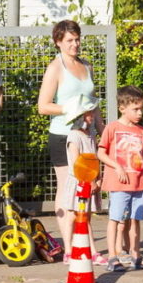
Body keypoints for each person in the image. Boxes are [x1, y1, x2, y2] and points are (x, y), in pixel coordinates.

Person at [38, 19, 103, 259]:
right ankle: (69, 248)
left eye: (77, 39)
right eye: (69, 40)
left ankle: (87, 246)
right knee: (68, 189)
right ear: (58, 42)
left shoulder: (86, 65)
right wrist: (70, 108)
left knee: (87, 189)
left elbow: (93, 103)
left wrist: (102, 129)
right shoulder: (55, 68)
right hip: (63, 136)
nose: (74, 44)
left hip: (87, 137)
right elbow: (43, 106)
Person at [97, 85, 143, 272]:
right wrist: (117, 166)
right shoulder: (112, 128)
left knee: (136, 220)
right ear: (122, 108)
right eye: (135, 109)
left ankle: (136, 255)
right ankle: (112, 257)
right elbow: (101, 153)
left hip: (139, 184)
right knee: (115, 219)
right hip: (119, 184)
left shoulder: (142, 131)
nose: (140, 113)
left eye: (141, 108)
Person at [61, 95, 106, 265]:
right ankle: (69, 251)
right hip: (79, 182)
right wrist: (89, 180)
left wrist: (98, 178)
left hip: (91, 181)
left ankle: (89, 251)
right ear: (79, 116)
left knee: (86, 217)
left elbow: (95, 159)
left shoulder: (91, 135)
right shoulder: (74, 136)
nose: (92, 116)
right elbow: (77, 163)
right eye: (88, 113)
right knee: (74, 215)